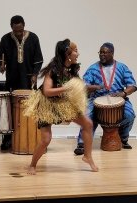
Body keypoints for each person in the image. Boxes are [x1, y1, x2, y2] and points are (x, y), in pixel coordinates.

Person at [25, 39, 99, 175]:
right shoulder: (53, 69)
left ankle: (87, 156)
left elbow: (75, 87)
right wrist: (67, 88)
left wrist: (84, 88)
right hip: (46, 105)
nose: (78, 54)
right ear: (67, 53)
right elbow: (47, 91)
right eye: (76, 51)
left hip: (62, 103)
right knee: (46, 139)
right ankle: (32, 165)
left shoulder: (72, 69)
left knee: (88, 124)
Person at [73, 42, 137, 155]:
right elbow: (84, 86)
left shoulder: (122, 67)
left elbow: (132, 85)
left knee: (130, 115)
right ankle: (82, 143)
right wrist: (94, 88)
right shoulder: (93, 68)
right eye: (100, 52)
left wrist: (123, 93)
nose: (102, 55)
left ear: (112, 53)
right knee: (87, 115)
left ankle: (123, 138)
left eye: (105, 52)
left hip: (119, 99)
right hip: (96, 99)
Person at [0, 15, 43, 150]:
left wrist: (35, 74)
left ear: (24, 26)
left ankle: (29, 138)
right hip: (12, 80)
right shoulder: (5, 39)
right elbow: (0, 60)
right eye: (16, 31)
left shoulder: (33, 38)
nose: (19, 33)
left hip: (28, 80)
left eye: (21, 30)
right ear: (11, 28)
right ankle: (8, 139)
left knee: (29, 111)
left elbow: (38, 59)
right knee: (10, 112)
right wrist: (1, 66)